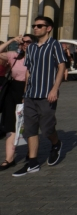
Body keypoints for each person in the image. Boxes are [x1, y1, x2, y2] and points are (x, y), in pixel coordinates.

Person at [12, 16, 67, 177]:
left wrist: (55, 89)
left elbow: (61, 66)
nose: (35, 28)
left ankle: (56, 143)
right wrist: (25, 92)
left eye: (39, 26)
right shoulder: (31, 48)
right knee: (30, 129)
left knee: (47, 128)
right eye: (34, 25)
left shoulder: (54, 45)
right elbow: (29, 70)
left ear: (48, 28)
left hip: (47, 94)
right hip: (30, 95)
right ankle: (33, 163)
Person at [0, 34, 34, 171]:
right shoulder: (14, 55)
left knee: (28, 124)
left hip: (30, 92)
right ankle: (9, 158)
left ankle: (30, 152)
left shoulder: (37, 58)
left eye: (28, 42)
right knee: (10, 125)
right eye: (23, 42)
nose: (25, 44)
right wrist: (12, 40)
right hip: (13, 91)